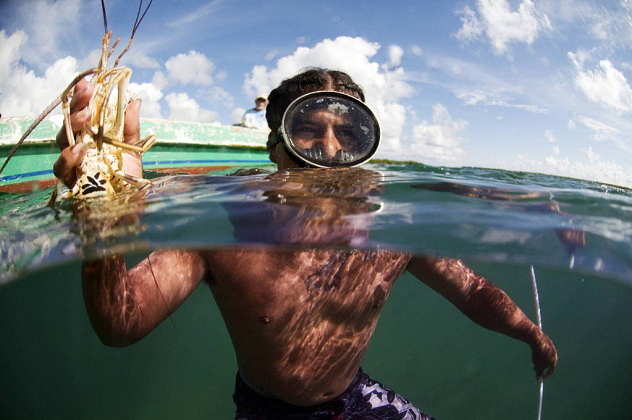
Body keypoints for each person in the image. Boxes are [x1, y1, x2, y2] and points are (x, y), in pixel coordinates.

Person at [53, 69, 557, 420]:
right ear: (277, 147)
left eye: (349, 134)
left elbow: (470, 291)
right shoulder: (228, 226)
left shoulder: (387, 231)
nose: (331, 152)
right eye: (308, 131)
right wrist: (106, 223)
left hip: (357, 396)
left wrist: (529, 333)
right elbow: (122, 323)